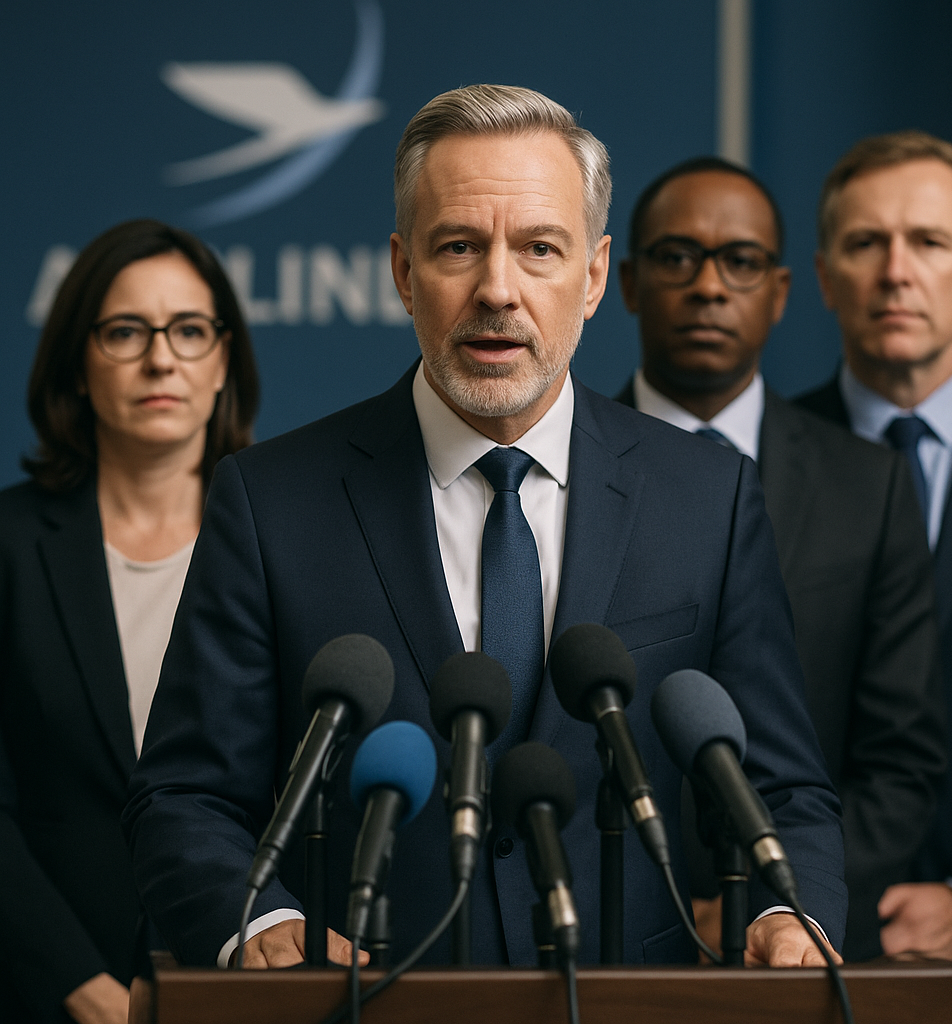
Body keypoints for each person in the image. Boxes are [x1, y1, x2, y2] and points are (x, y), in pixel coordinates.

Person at [124, 85, 847, 973]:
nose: (497, 289)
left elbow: (783, 791)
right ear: (402, 271)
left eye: (539, 248)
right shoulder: (270, 502)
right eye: (459, 246)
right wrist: (260, 921)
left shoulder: (709, 496)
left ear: (592, 277)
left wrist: (786, 908)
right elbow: (185, 797)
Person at [616, 157, 946, 961]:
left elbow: (898, 758)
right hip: (610, 940)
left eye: (741, 261)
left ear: (783, 291)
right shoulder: (559, 470)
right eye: (676, 257)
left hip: (801, 941)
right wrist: (664, 913)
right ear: (621, 283)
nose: (708, 286)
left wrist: (776, 901)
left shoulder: (868, 486)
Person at [0, 219, 260, 1024]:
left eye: (188, 330)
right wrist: (81, 988)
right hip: (44, 997)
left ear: (223, 362)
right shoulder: (8, 546)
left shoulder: (289, 539)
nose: (161, 359)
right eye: (125, 332)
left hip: (244, 994)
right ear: (78, 361)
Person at [797, 130, 952, 1020]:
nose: (897, 271)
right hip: (794, 959)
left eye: (928, 242)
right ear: (822, 277)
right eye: (866, 243)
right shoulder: (746, 469)